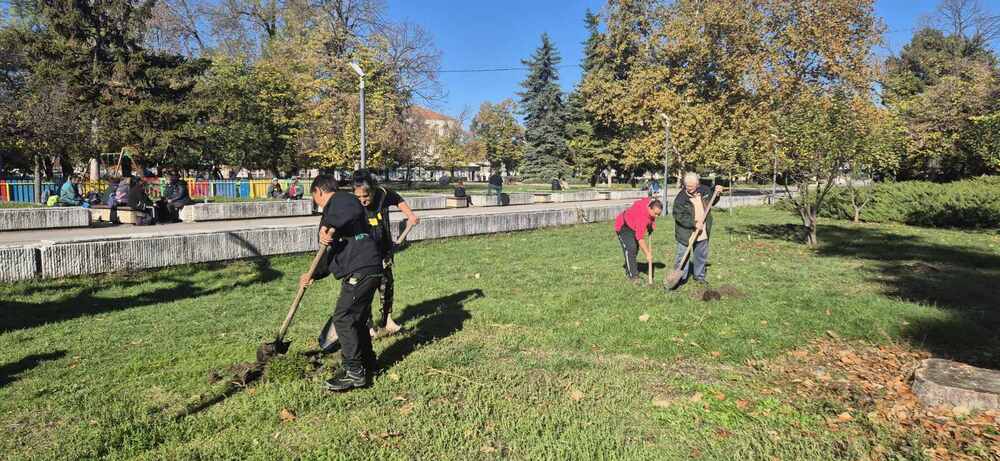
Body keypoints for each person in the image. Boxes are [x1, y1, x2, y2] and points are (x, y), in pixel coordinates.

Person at [301, 174, 384, 392]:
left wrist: (328, 224)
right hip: (368, 268)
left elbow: (353, 209)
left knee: (344, 317)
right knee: (357, 319)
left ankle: (354, 372)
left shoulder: (341, 200)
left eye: (314, 198)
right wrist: (312, 274)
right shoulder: (338, 217)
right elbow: (331, 254)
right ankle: (368, 364)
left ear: (319, 191)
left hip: (362, 269)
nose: (317, 204)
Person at [351, 170, 420, 337]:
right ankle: (368, 324)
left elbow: (397, 199)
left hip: (384, 248)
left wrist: (410, 215)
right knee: (365, 287)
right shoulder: (351, 201)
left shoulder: (382, 194)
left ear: (373, 190)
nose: (362, 201)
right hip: (363, 252)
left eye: (366, 197)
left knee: (386, 283)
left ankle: (387, 320)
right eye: (358, 198)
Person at [671, 172, 723, 287]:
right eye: (687, 186)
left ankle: (699, 276)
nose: (689, 188)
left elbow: (711, 201)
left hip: (703, 230)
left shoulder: (704, 190)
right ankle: (680, 278)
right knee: (682, 256)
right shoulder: (681, 198)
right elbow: (678, 216)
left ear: (697, 184)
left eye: (691, 186)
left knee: (700, 255)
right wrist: (694, 223)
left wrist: (717, 193)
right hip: (686, 232)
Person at [614, 196, 663, 284]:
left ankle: (630, 265)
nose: (657, 216)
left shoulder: (649, 202)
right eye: (655, 214)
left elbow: (643, 200)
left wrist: (651, 224)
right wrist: (648, 254)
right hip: (623, 226)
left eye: (658, 214)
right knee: (631, 248)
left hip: (634, 224)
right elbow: (640, 238)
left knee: (635, 249)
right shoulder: (642, 218)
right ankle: (633, 276)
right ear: (650, 208)